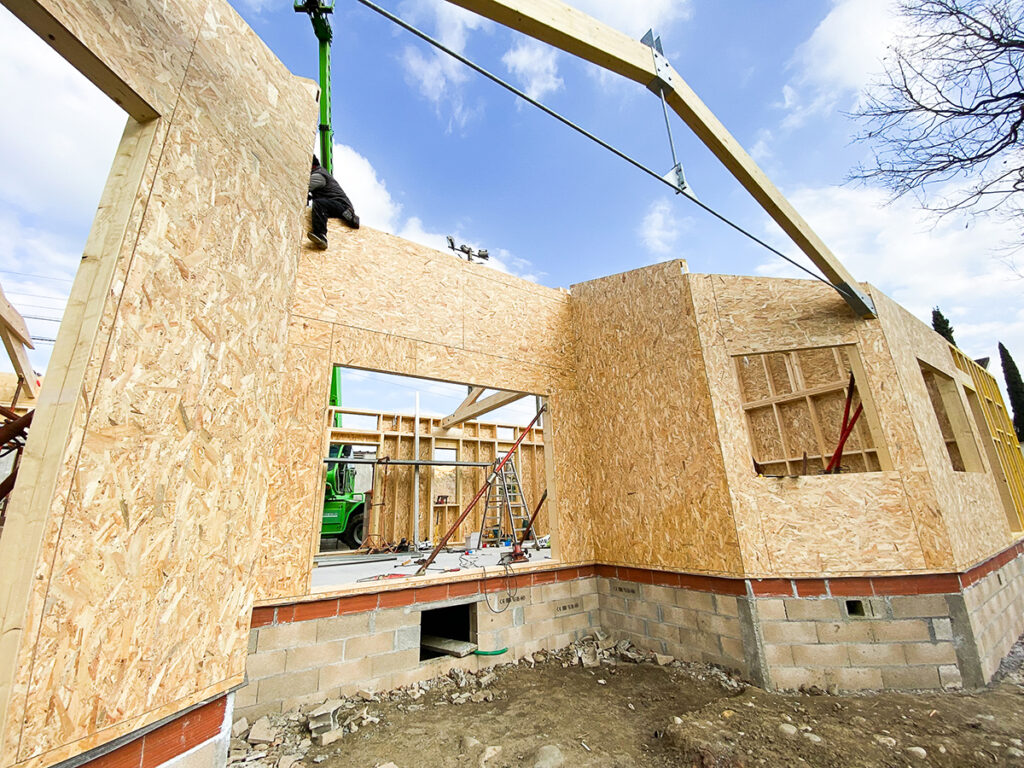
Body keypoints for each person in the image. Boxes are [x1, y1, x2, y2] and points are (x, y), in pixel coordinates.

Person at [307, 155, 359, 249]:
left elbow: (302, 188)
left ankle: (321, 235)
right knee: (320, 203)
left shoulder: (318, 175)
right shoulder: (320, 172)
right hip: (333, 203)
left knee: (319, 204)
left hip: (341, 206)